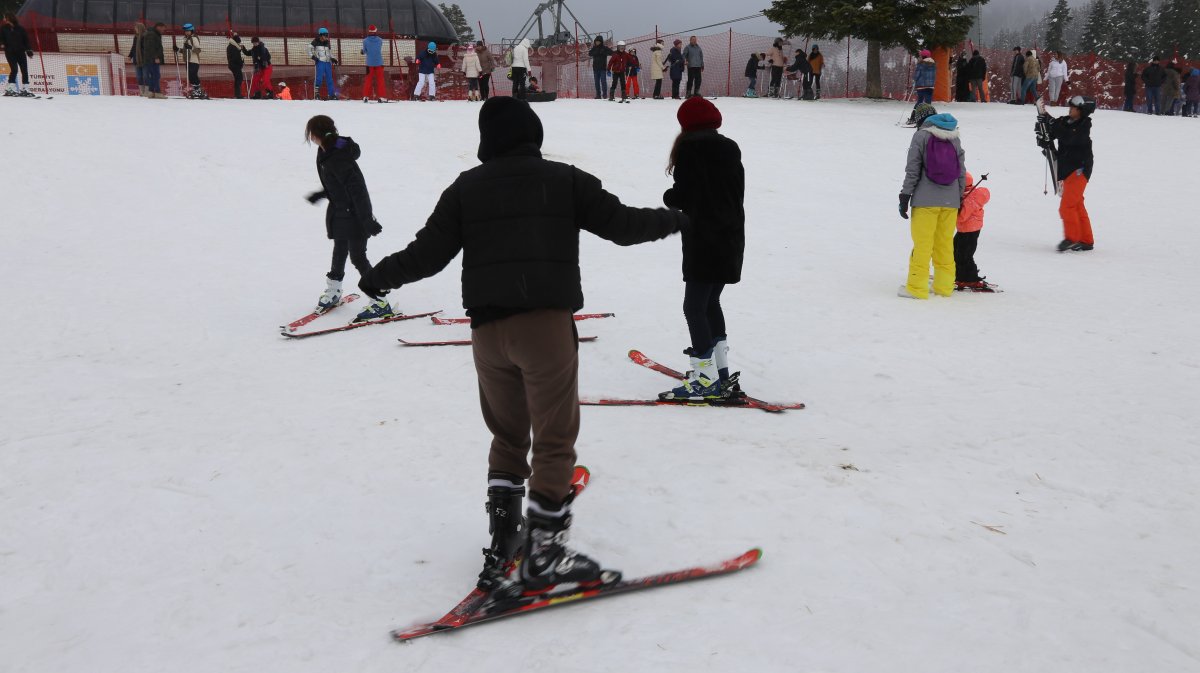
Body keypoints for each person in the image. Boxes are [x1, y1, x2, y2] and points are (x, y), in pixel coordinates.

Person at [357, 97, 686, 597]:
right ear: (533, 134)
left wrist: (380, 277)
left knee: (507, 435)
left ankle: (504, 536)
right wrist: (677, 219)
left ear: (487, 140)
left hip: (488, 334)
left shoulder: (465, 188)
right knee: (554, 438)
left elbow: (427, 253)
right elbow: (622, 226)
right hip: (544, 328)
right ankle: (546, 555)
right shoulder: (565, 179)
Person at [659, 97, 745, 401]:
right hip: (731, 238)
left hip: (704, 239)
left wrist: (670, 196)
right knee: (711, 303)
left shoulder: (690, 149)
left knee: (693, 306)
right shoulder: (730, 147)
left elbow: (686, 195)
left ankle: (706, 379)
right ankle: (721, 374)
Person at [303, 115, 391, 322]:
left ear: (314, 134)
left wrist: (367, 219)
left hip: (355, 213)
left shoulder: (338, 156)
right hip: (340, 210)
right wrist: (323, 193)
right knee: (340, 249)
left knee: (358, 257)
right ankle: (334, 290)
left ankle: (380, 301)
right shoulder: (325, 150)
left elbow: (357, 190)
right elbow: (336, 182)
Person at [897, 103, 966, 300]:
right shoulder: (954, 137)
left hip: (925, 201)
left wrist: (905, 195)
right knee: (944, 245)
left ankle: (916, 288)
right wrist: (958, 198)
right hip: (950, 202)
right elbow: (961, 172)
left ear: (920, 119)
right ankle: (944, 287)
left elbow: (913, 169)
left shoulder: (921, 136)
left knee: (923, 245)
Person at [1037, 95, 1096, 252]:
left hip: (1080, 169)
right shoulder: (1065, 121)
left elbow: (1069, 137)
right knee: (1077, 205)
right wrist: (1044, 129)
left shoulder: (1084, 127)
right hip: (1067, 169)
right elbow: (1054, 127)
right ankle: (1086, 240)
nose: (1070, 109)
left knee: (1067, 206)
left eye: (1074, 107)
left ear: (1082, 111)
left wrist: (1052, 126)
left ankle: (1072, 238)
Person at [954, 172, 993, 291]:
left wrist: (956, 209)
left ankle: (970, 278)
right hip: (968, 230)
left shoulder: (969, 199)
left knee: (964, 255)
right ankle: (960, 275)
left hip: (968, 231)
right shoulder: (970, 194)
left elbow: (961, 217)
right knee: (956, 250)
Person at [1, 12, 33, 97]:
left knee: (24, 69)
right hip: (10, 52)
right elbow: (1, 38)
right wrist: (2, 43)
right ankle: (10, 88)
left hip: (21, 52)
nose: (4, 19)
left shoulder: (20, 29)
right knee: (14, 69)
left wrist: (29, 50)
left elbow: (26, 40)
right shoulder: (3, 28)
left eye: (5, 17)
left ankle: (25, 89)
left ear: (9, 18)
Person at [173, 23, 206, 98]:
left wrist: (191, 48)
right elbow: (185, 51)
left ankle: (198, 90)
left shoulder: (194, 38)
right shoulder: (185, 39)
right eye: (185, 31)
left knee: (193, 75)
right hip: (188, 60)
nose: (187, 32)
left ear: (192, 31)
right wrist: (178, 49)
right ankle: (196, 90)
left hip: (194, 60)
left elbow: (198, 50)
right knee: (190, 77)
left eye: (188, 31)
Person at [308, 28, 339, 100]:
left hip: (328, 62)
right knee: (319, 78)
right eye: (325, 35)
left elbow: (329, 52)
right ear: (320, 35)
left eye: (327, 35)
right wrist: (312, 56)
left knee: (329, 79)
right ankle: (317, 94)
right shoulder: (315, 41)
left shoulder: (327, 42)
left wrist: (333, 58)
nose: (326, 37)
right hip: (320, 62)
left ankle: (331, 94)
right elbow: (308, 49)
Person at [362, 25, 386, 103]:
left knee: (368, 80)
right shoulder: (380, 40)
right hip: (379, 63)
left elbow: (365, 51)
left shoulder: (365, 41)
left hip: (369, 64)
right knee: (380, 81)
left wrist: (362, 51)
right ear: (376, 31)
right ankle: (381, 97)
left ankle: (366, 96)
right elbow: (378, 49)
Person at [142, 22, 166, 99]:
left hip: (150, 59)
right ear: (158, 27)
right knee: (156, 75)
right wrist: (156, 57)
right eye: (163, 29)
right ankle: (157, 92)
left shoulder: (153, 34)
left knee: (153, 75)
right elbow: (151, 47)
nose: (163, 31)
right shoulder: (152, 34)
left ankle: (151, 92)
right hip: (152, 59)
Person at [911, 49, 936, 113]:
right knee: (928, 102)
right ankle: (927, 115)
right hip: (930, 86)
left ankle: (913, 116)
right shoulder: (933, 64)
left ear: (923, 56)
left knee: (920, 101)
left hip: (921, 86)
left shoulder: (921, 64)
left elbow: (917, 74)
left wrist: (914, 80)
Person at [128, 23, 148, 97]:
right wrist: (130, 56)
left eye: (136, 28)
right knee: (139, 76)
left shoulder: (146, 36)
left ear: (140, 28)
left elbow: (147, 48)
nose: (135, 29)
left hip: (145, 60)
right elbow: (133, 47)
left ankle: (147, 92)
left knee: (145, 76)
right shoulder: (135, 37)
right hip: (137, 60)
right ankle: (141, 92)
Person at [227, 32, 246, 98]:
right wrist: (241, 62)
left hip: (233, 65)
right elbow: (236, 58)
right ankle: (238, 94)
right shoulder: (234, 47)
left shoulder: (232, 46)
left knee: (238, 79)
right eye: (239, 43)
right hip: (235, 65)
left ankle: (237, 94)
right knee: (239, 79)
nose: (239, 44)